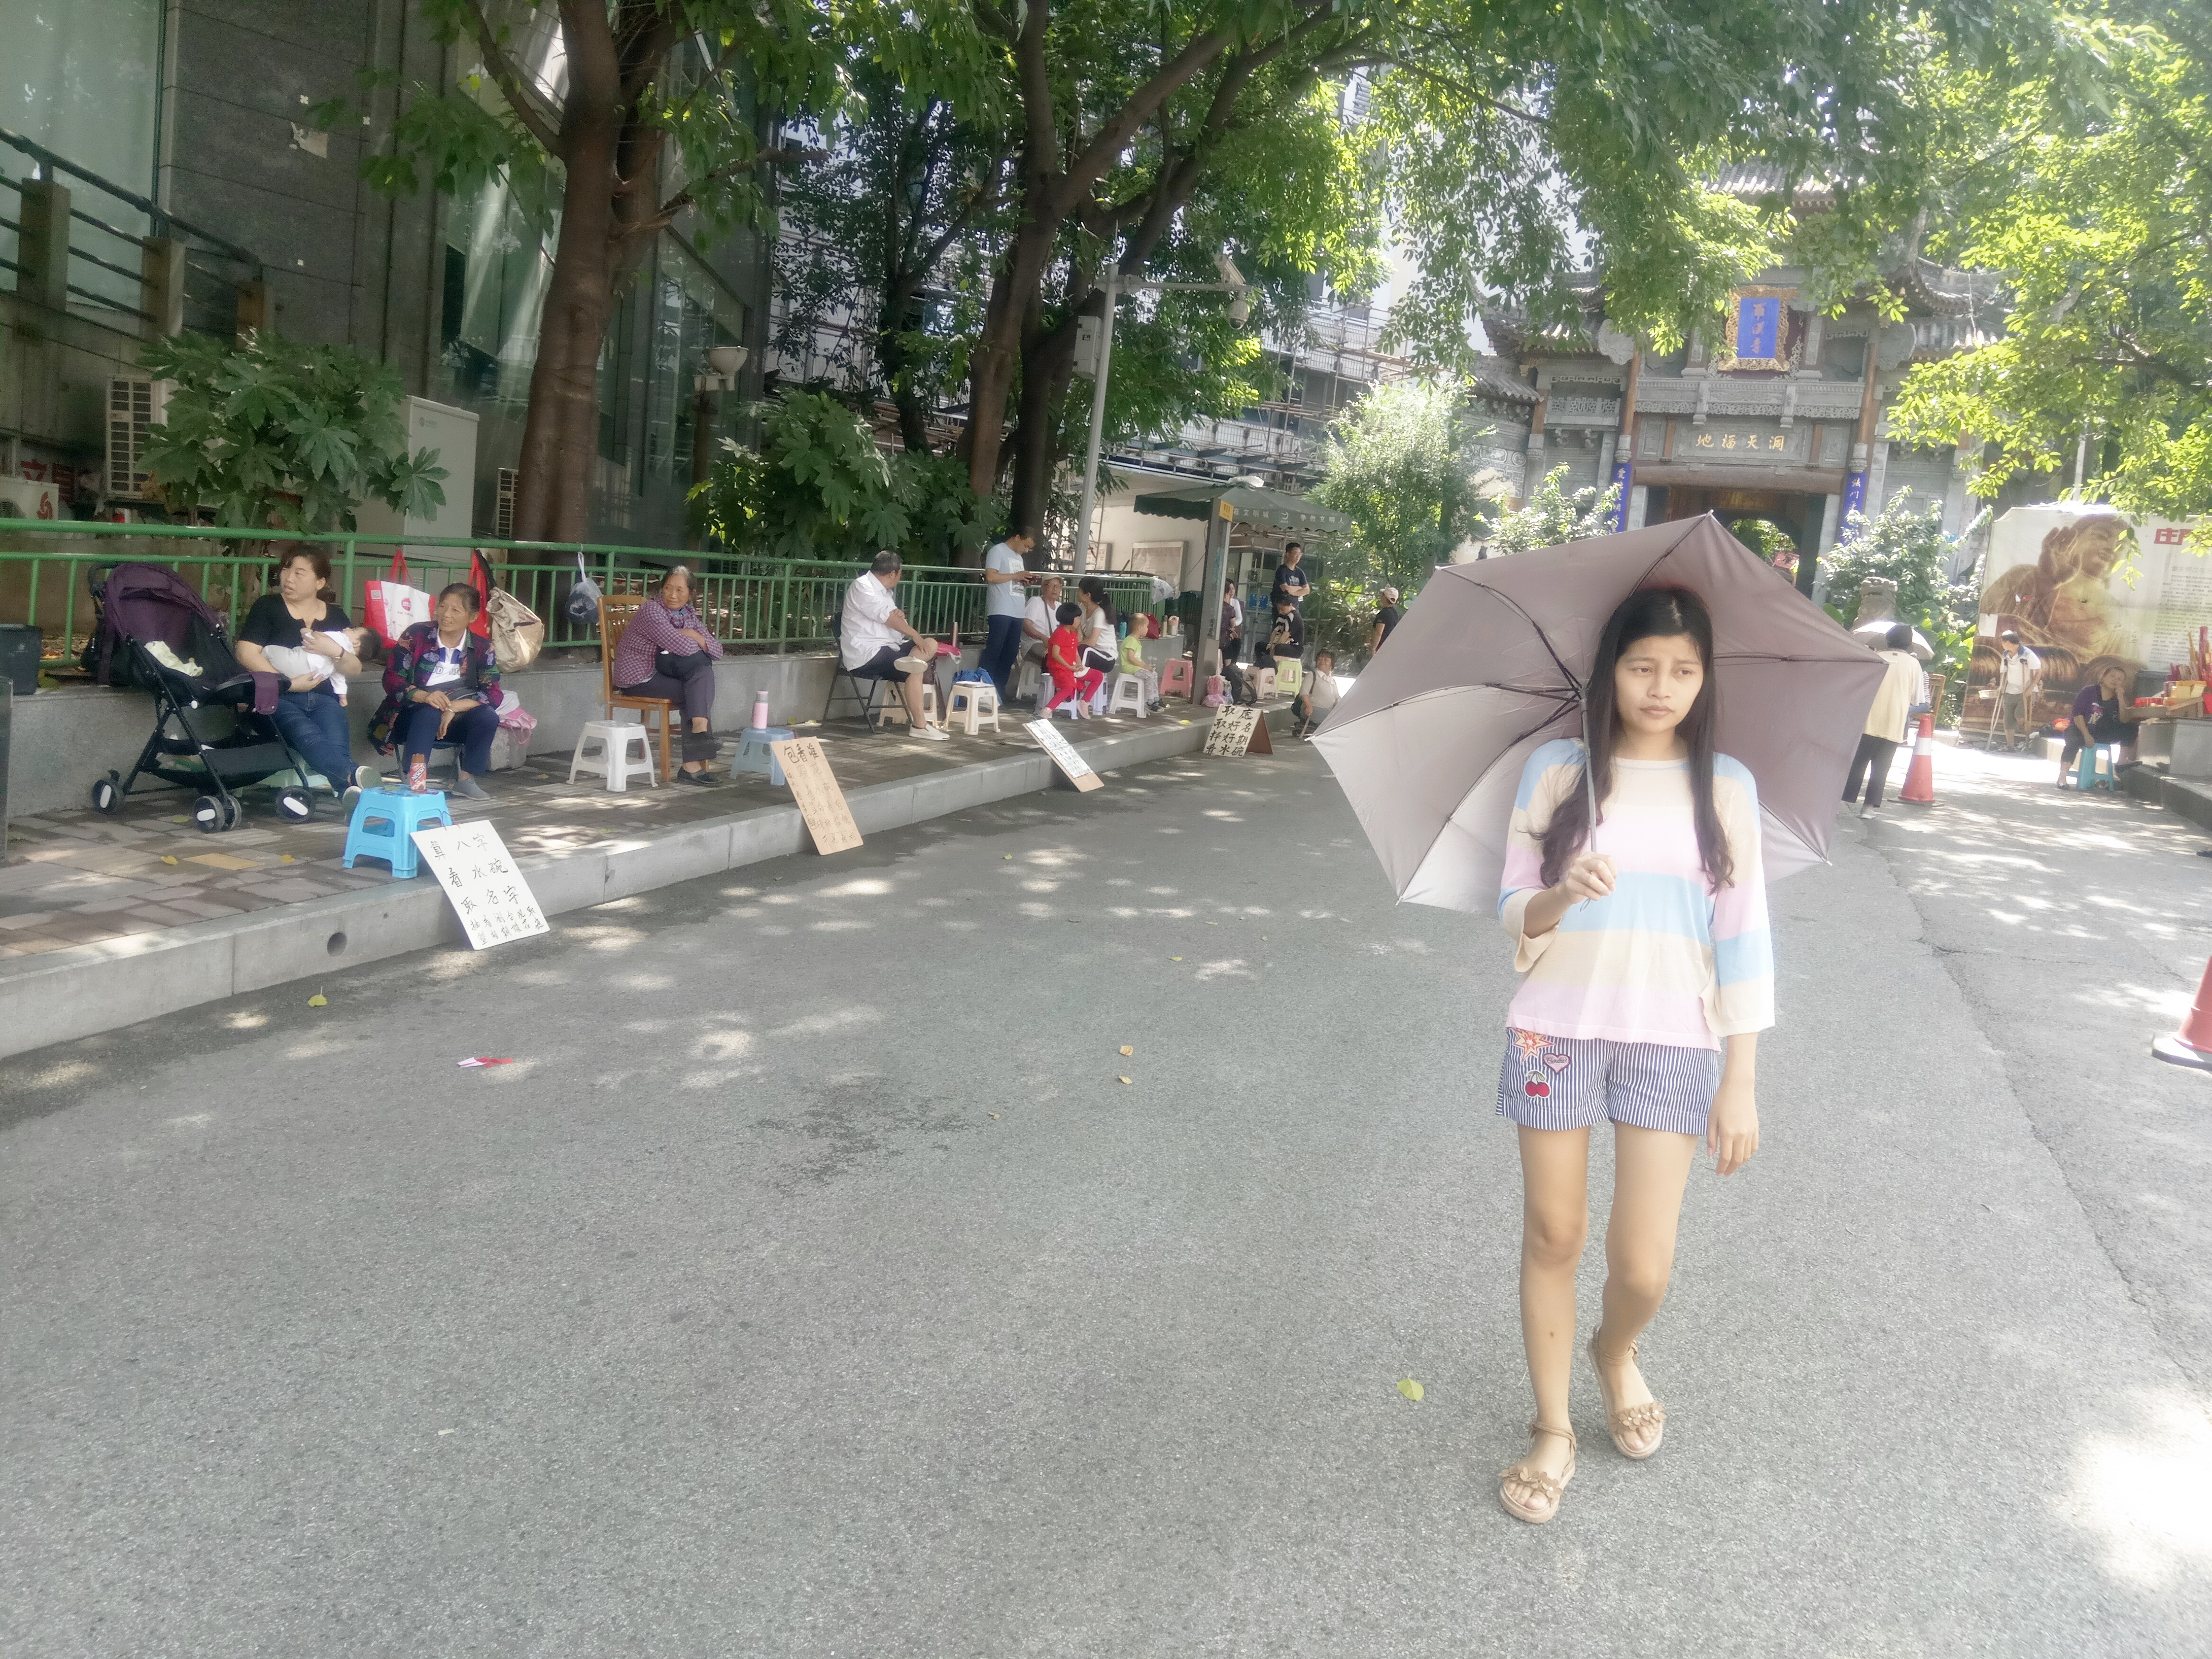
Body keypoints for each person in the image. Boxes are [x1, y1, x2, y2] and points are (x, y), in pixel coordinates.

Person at [1491, 587, 1770, 1525]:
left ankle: (1614, 1350)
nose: (1662, 687)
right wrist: (1562, 891)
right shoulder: (1558, 771)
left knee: (1644, 1265)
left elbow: (1744, 933)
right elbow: (1513, 907)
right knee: (1553, 1234)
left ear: (1704, 679)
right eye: (1643, 666)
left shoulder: (1724, 786)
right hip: (1554, 1028)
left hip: (1673, 1037)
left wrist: (1740, 1079)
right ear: (1610, 670)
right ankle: (1552, 1428)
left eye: (1683, 671)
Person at [233, 544, 376, 802]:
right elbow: (246, 652)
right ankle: (354, 779)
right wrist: (287, 683)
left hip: (323, 699)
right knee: (307, 734)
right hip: (275, 698)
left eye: (299, 573)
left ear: (320, 582)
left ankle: (351, 796)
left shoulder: (335, 616)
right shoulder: (268, 606)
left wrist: (335, 651)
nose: (288, 578)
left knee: (337, 745)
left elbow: (354, 668)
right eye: (286, 570)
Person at [379, 584, 504, 797]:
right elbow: (392, 678)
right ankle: (416, 782)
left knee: (488, 717)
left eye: (456, 610)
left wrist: (453, 707)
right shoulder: (416, 635)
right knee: (429, 712)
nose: (446, 615)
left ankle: (466, 780)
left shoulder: (482, 648)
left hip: (453, 723)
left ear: (472, 617)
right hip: (410, 717)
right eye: (443, 606)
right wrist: (426, 697)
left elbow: (493, 692)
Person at [612, 564, 725, 784]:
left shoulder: (688, 615)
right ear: (661, 589)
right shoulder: (652, 611)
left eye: (680, 590)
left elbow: (718, 651)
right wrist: (694, 641)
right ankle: (694, 759)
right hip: (638, 677)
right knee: (696, 690)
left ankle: (698, 741)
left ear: (691, 594)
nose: (672, 595)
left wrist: (695, 635)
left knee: (702, 676)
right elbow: (681, 647)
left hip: (662, 673)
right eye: (668, 588)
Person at [841, 550, 946, 739]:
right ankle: (920, 726)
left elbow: (895, 622)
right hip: (869, 652)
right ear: (893, 574)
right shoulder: (862, 586)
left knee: (931, 644)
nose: (900, 577)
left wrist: (900, 617)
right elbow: (888, 618)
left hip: (891, 648)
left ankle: (912, 662)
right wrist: (914, 634)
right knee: (916, 667)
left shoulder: (886, 593)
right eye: (900, 573)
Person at [1843, 623, 1923, 817]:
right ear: (1909, 643)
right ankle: (1868, 808)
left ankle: (1841, 802)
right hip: (1893, 723)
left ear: (1887, 640)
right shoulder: (1914, 665)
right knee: (1881, 769)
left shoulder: (1877, 659)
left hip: (1868, 719)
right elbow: (1917, 699)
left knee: (1857, 764)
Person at [2059, 663, 2145, 785]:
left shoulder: (2117, 699)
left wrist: (2121, 698)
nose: (2115, 680)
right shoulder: (2089, 691)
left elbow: (2124, 719)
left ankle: (2121, 761)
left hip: (2100, 733)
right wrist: (2086, 735)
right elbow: (2078, 716)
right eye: (2112, 676)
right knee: (2073, 742)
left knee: (2131, 725)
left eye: (2119, 679)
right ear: (2104, 677)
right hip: (2079, 729)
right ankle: (2063, 776)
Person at [979, 529, 1038, 700]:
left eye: (1029, 548)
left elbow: (1013, 579)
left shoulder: (1019, 558)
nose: (1026, 551)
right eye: (1026, 546)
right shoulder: (998, 551)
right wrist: (1016, 575)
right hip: (1001, 609)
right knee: (995, 649)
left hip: (1017, 610)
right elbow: (991, 577)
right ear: (1017, 537)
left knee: (1011, 652)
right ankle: (982, 689)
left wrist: (1024, 581)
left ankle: (999, 690)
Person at [1042, 601, 1100, 717]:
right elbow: (1055, 655)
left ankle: (1084, 702)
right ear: (1070, 619)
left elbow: (1076, 653)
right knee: (1068, 688)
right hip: (1060, 668)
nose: (1079, 621)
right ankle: (1047, 710)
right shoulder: (1059, 633)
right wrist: (1070, 667)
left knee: (1098, 676)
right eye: (1078, 618)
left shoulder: (1073, 634)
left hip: (1071, 667)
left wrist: (1079, 665)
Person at [1987, 631, 2041, 751]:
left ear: (2009, 642)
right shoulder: (2006, 655)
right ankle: (2010, 746)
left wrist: (2030, 688)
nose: (2002, 644)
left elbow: (2038, 671)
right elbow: (2004, 672)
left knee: (2020, 717)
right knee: (2008, 719)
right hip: (2010, 690)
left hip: (2026, 690)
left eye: (2003, 642)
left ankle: (2028, 738)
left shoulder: (2028, 654)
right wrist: (2001, 687)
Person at [1020, 575, 1066, 707]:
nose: (1055, 589)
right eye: (1052, 586)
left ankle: (1064, 691)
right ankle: (1049, 694)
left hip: (1053, 645)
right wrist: (1043, 637)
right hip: (1034, 643)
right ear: (1043, 588)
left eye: (1058, 587)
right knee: (1051, 656)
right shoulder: (1036, 602)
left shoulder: (1060, 607)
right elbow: (1026, 625)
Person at [1076, 577, 1118, 713]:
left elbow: (1092, 642)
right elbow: (1079, 635)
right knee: (1078, 650)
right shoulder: (1082, 608)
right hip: (1091, 654)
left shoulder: (1099, 613)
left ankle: (1082, 697)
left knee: (1083, 649)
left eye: (1080, 590)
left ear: (1087, 595)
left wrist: (1075, 646)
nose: (1078, 593)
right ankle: (1073, 688)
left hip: (1107, 658)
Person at [1294, 648, 1340, 738]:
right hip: (1314, 710)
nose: (1322, 662)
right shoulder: (1312, 675)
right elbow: (1304, 693)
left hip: (1328, 710)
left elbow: (1337, 697)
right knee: (1334, 719)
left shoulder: (1332, 681)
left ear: (1332, 664)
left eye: (1326, 660)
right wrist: (1308, 706)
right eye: (1320, 659)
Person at [1217, 579, 1250, 704]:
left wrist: (1230, 631)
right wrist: (1230, 631)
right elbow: (1231, 623)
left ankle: (1231, 666)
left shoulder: (1217, 605)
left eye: (1233, 589)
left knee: (1235, 641)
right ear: (1226, 592)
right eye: (1229, 590)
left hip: (1218, 637)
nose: (1231, 592)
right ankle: (1229, 668)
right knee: (1232, 644)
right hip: (1223, 641)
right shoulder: (1229, 608)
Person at [1255, 594, 1303, 673]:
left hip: (1294, 648)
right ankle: (1259, 664)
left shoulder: (1295, 617)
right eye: (1279, 609)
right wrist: (1270, 645)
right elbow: (1275, 631)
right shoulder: (1282, 616)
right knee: (1259, 646)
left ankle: (1273, 668)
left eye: (1282, 609)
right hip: (1278, 643)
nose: (1280, 612)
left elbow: (1285, 636)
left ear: (1290, 605)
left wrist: (1274, 648)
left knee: (1279, 648)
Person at [1272, 541, 1311, 612]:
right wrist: (1299, 588)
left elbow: (1307, 590)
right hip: (1282, 610)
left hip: (1295, 609)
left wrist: (1292, 593)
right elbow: (1286, 589)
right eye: (1296, 553)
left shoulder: (1300, 572)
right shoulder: (1282, 570)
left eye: (1300, 554)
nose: (1298, 556)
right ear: (1288, 554)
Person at [1369, 587, 1403, 659]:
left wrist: (1373, 649)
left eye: (1382, 594)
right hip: (1391, 647)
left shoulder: (1383, 614)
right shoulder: (1395, 613)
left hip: (1381, 647)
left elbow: (1379, 633)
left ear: (1385, 597)